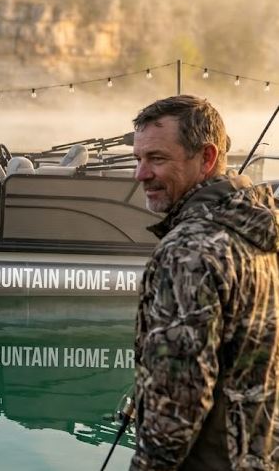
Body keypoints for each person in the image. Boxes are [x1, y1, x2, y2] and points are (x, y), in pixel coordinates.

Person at [130, 95, 279, 470]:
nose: (141, 174)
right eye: (139, 159)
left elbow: (177, 407)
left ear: (207, 158)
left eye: (157, 159)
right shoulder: (262, 230)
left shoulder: (188, 251)